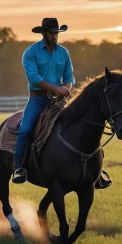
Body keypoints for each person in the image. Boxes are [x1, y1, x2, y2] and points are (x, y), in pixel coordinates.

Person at [12, 18, 112, 189]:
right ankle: (19, 168)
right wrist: (55, 88)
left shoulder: (63, 53)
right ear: (43, 33)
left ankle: (97, 172)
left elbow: (69, 76)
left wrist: (66, 87)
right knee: (25, 129)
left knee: (85, 128)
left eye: (57, 33)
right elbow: (33, 77)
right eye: (52, 32)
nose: (55, 36)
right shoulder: (31, 52)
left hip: (59, 99)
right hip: (38, 99)